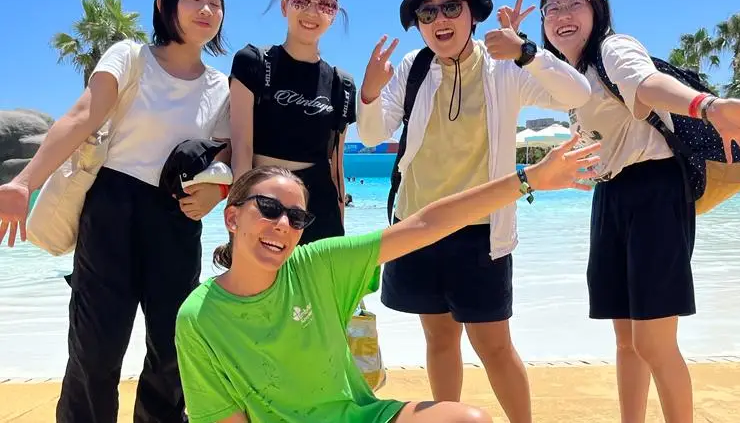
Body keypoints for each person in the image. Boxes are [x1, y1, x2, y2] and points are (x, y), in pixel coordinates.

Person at [174, 135, 602, 423]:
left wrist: (529, 179)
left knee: (468, 420)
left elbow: (427, 224)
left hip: (360, 416)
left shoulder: (317, 265)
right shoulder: (199, 317)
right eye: (268, 209)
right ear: (232, 218)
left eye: (297, 217)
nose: (282, 225)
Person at [355, 0, 592, 422]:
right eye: (427, 12)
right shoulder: (413, 67)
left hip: (482, 230)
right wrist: (368, 94)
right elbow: (371, 134)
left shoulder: (503, 65)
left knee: (494, 345)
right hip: (417, 226)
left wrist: (527, 52)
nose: (439, 20)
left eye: (451, 8)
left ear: (472, 13)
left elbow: (576, 94)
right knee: (439, 339)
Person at [0, 0, 232, 423]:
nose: (206, 10)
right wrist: (25, 181)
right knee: (96, 349)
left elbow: (229, 153)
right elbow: (82, 115)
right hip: (112, 209)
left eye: (215, 3)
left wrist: (218, 191)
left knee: (172, 348)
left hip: (177, 216)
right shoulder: (130, 57)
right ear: (164, 5)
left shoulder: (219, 86)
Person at [538, 0, 740, 423]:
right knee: (626, 342)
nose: (563, 15)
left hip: (654, 189)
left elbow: (646, 84)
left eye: (575, 3)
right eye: (552, 8)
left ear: (597, 10)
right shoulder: (571, 77)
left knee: (654, 343)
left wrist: (706, 106)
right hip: (611, 195)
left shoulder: (614, 47)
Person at [227, 0, 355, 246]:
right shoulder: (252, 62)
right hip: (265, 201)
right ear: (285, 5)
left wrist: (341, 240)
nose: (312, 12)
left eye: (325, 5)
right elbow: (241, 151)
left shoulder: (342, 83)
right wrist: (238, 225)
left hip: (320, 211)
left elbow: (337, 169)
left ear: (334, 15)